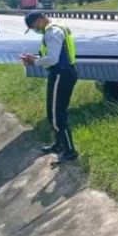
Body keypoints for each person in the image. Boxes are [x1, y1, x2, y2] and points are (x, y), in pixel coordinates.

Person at [19, 12, 79, 164]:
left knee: (58, 115)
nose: (35, 30)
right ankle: (59, 145)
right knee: (51, 112)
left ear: (40, 20)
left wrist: (34, 62)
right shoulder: (57, 26)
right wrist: (36, 58)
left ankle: (70, 151)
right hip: (61, 72)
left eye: (34, 27)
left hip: (61, 73)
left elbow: (52, 58)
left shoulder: (52, 32)